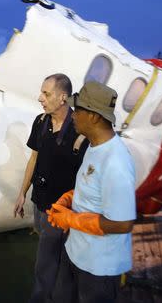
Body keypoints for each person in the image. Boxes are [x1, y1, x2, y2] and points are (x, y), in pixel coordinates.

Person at [47, 81, 136, 303]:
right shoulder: (94, 146)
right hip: (76, 252)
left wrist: (71, 219)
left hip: (99, 268)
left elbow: (123, 224)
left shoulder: (116, 160)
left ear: (94, 117)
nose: (73, 115)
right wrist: (70, 197)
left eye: (78, 111)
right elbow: (93, 187)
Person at [13, 74, 88, 303]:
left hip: (61, 210)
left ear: (63, 97)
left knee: (45, 262)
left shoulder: (81, 129)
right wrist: (22, 192)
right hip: (40, 200)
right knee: (49, 252)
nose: (40, 98)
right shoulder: (40, 121)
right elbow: (33, 159)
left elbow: (88, 175)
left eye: (46, 93)